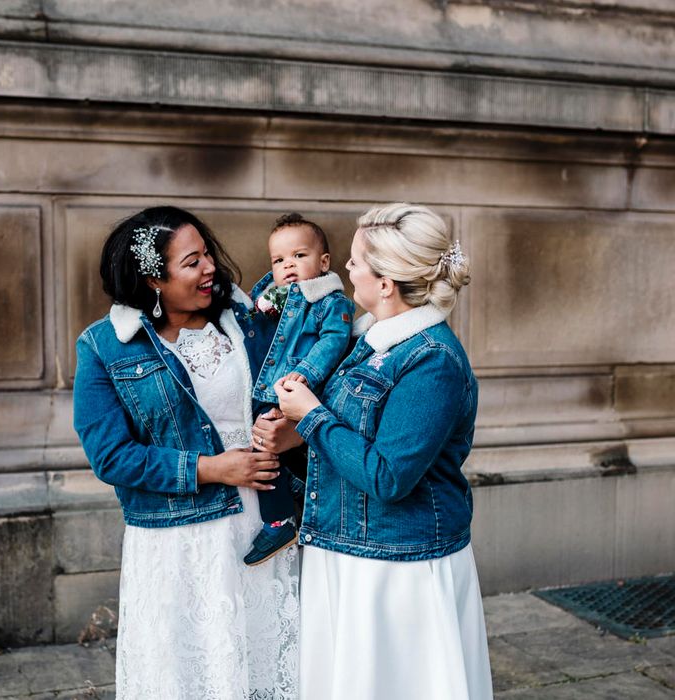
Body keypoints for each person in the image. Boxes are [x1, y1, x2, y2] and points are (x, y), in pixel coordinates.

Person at [263, 203, 493, 699]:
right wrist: (297, 432)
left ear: (386, 283)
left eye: (353, 262)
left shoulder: (432, 360)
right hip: (345, 544)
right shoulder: (370, 339)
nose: (345, 269)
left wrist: (313, 416)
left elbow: (389, 475)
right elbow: (360, 430)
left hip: (397, 563)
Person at [72, 206, 299, 699]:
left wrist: (293, 434)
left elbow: (310, 388)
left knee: (270, 658)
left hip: (265, 522)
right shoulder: (105, 346)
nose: (210, 268)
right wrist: (211, 468)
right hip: (179, 540)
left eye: (207, 254)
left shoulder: (250, 318)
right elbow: (111, 457)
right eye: (191, 261)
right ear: (153, 280)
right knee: (196, 670)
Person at [245, 213, 355, 566]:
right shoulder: (271, 300)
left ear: (324, 263)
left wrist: (304, 373)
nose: (288, 265)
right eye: (279, 260)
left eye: (299, 256)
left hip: (300, 390)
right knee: (265, 451)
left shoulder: (330, 302)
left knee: (285, 450)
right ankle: (282, 513)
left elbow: (333, 340)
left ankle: (285, 516)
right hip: (268, 390)